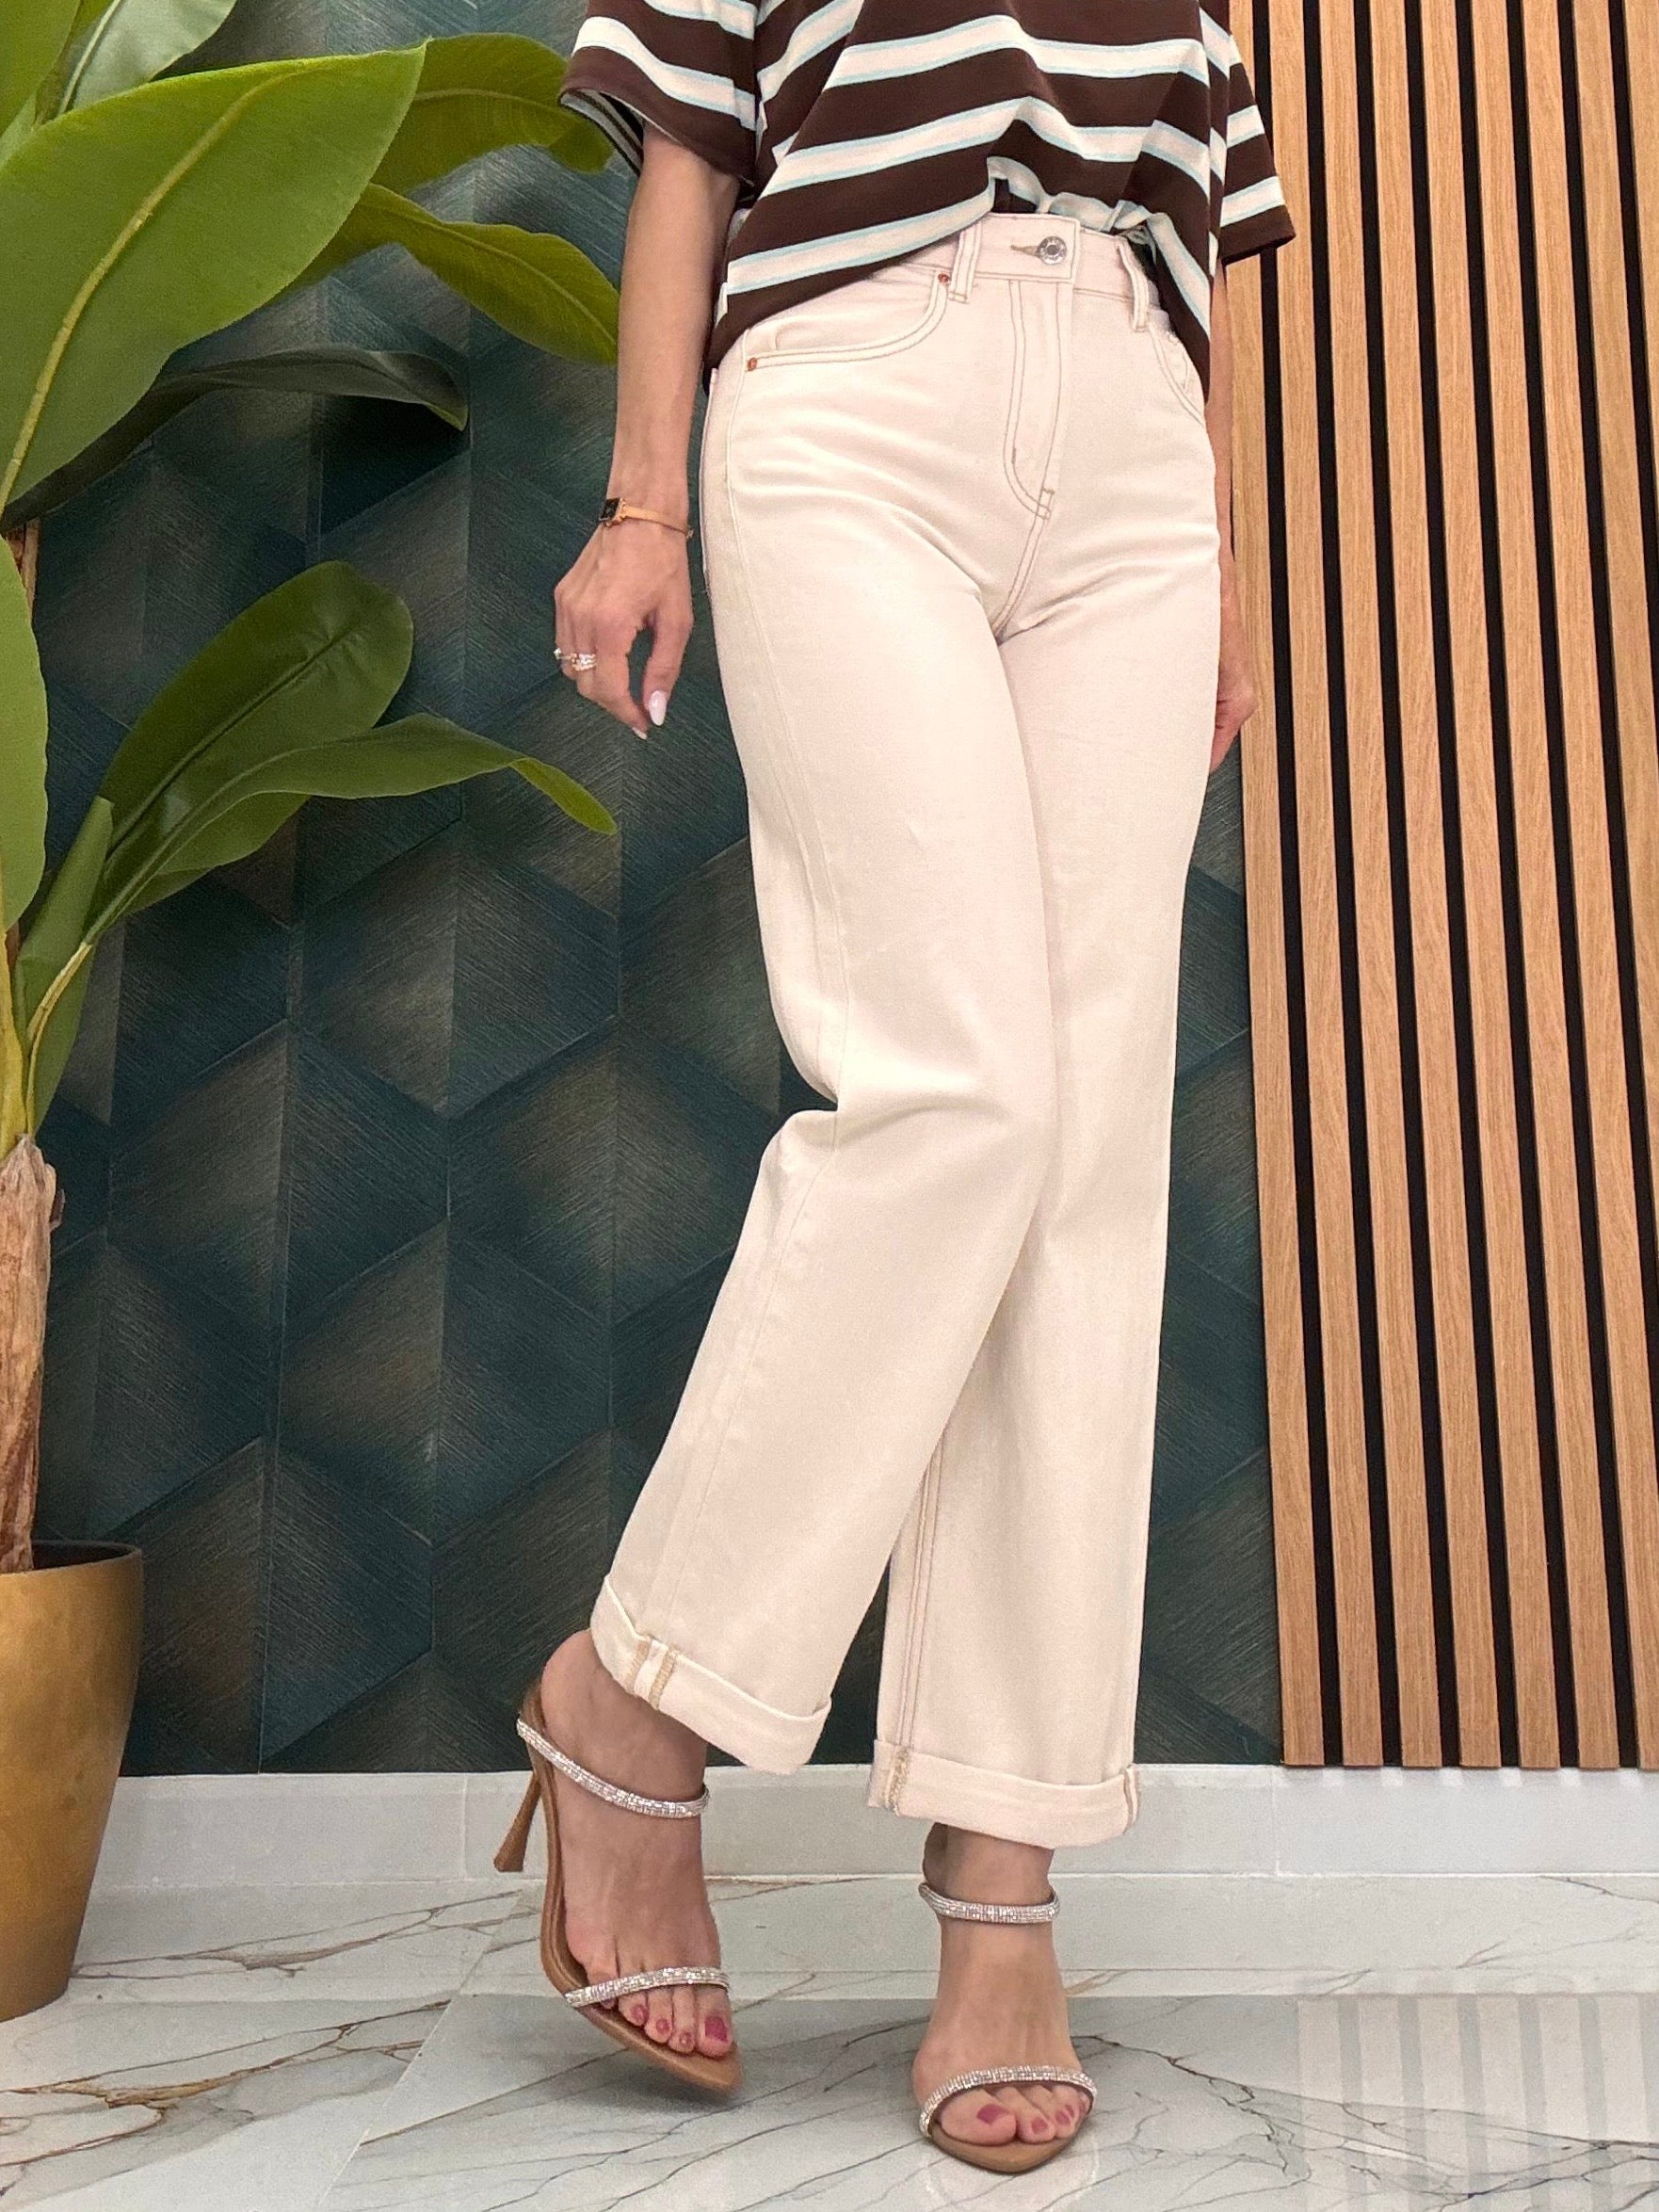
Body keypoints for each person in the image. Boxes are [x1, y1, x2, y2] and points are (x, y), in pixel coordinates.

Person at [493, 0, 1297, 2174]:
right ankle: (637, 1694)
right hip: (850, 389)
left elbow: (1189, 237)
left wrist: (1217, 548)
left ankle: (1002, 1882)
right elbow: (691, 143)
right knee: (958, 1098)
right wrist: (640, 499)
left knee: (1082, 1162)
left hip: (1129, 450)